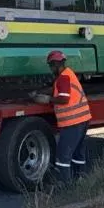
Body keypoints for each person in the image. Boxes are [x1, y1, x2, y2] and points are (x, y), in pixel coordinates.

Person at [42, 50, 93, 183]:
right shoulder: (67, 74)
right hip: (82, 119)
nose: (50, 68)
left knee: (63, 154)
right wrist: (41, 92)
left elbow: (64, 99)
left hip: (73, 122)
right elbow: (56, 88)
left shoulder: (63, 77)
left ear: (55, 64)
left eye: (50, 65)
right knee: (77, 152)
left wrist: (48, 99)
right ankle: (80, 179)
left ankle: (63, 185)